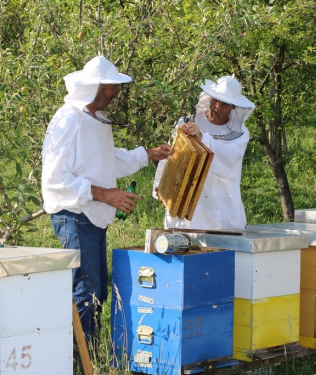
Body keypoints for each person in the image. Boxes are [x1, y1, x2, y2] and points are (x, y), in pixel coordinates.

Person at [41, 55, 170, 346]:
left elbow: (107, 160)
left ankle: (90, 354)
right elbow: (54, 178)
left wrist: (147, 154)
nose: (115, 94)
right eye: (112, 88)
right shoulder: (68, 120)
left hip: (90, 215)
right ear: (96, 87)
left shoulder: (93, 119)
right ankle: (79, 361)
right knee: (86, 292)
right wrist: (106, 194)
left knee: (97, 289)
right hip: (73, 215)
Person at [153, 75, 254, 231]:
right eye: (215, 100)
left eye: (224, 104)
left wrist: (202, 138)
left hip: (222, 213)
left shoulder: (240, 134)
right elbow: (170, 157)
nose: (217, 107)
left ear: (234, 106)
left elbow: (229, 161)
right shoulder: (185, 122)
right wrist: (161, 186)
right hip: (183, 209)